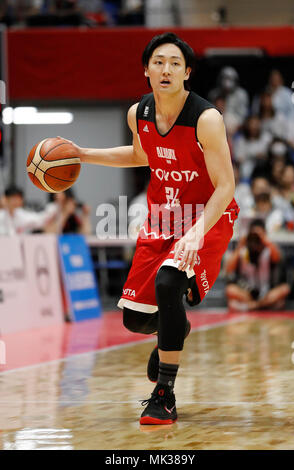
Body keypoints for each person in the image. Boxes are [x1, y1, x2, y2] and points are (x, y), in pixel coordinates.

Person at [60, 32, 239, 425]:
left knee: (169, 282)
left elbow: (226, 186)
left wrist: (194, 233)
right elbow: (141, 155)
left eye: (175, 63)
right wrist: (84, 154)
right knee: (136, 318)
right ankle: (177, 327)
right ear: (146, 70)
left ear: (187, 73)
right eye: (158, 61)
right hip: (164, 216)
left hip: (209, 215)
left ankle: (165, 394)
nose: (166, 69)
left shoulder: (206, 119)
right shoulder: (137, 113)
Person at [225, 219, 290, 311]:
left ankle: (251, 306)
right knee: (230, 289)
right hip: (247, 292)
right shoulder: (243, 250)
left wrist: (263, 239)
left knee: (284, 289)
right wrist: (241, 245)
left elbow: (277, 258)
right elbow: (229, 269)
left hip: (267, 293)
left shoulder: (268, 249)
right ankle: (261, 306)